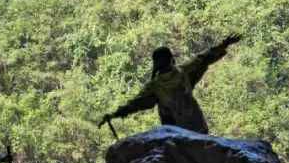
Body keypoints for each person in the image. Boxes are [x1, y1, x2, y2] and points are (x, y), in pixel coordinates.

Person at [99, 35, 242, 134]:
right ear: (171, 59)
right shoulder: (184, 71)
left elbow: (135, 104)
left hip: (174, 131)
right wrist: (224, 44)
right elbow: (204, 58)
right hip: (197, 126)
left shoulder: (155, 86)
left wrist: (113, 115)